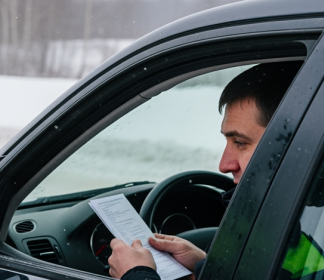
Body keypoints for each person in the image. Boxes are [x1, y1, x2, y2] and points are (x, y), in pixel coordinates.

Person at [108, 61, 303, 280]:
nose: (224, 165)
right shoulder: (306, 214)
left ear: (295, 143)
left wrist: (136, 275)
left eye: (240, 142)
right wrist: (207, 265)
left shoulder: (306, 220)